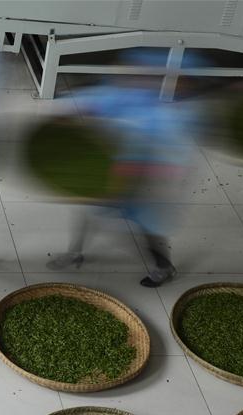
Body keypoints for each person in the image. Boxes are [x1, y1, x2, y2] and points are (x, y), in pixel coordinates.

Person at [48, 82, 191, 287]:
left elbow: (162, 161)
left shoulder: (157, 119)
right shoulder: (117, 95)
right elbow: (91, 107)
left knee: (146, 226)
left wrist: (116, 188)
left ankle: (164, 267)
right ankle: (75, 252)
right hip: (110, 164)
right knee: (85, 211)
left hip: (139, 179)